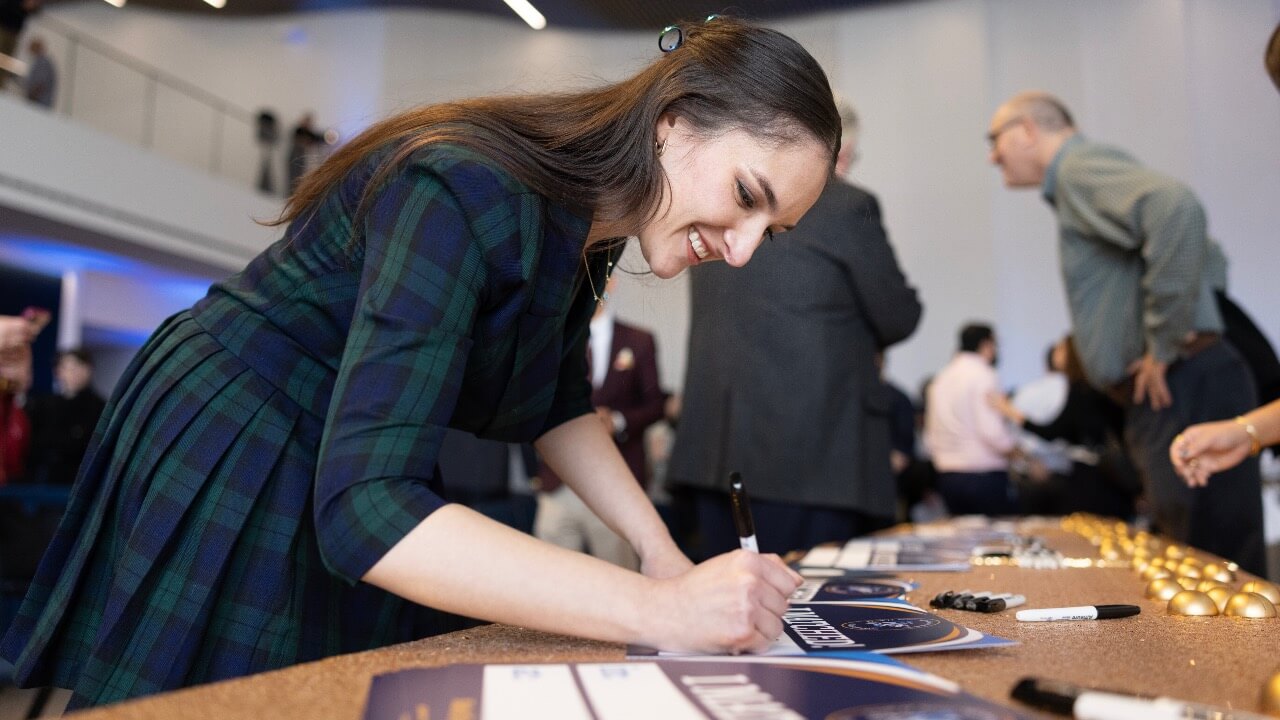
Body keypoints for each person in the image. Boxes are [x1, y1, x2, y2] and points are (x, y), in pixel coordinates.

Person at [0, 17, 839, 708]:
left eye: (774, 231)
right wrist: (657, 605)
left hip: (324, 444)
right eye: (746, 197)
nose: (744, 253)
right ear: (674, 123)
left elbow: (555, 402)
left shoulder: (591, 229)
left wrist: (662, 555)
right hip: (243, 424)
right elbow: (368, 507)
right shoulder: (465, 187)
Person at [987, 91, 1264, 574]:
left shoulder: (1076, 168)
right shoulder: (1081, 174)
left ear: (1029, 130)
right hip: (1178, 385)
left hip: (1178, 384)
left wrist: (1166, 340)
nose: (993, 155)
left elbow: (1178, 209)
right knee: (1206, 559)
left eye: (996, 140)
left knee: (1208, 565)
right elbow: (1211, 255)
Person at [667, 96, 921, 559]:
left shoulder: (716, 197)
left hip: (710, 451)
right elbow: (898, 314)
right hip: (812, 455)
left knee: (724, 611)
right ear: (836, 152)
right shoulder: (847, 205)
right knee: (813, 615)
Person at [534, 279, 666, 569]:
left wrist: (617, 420)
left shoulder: (638, 340)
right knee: (553, 579)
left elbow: (656, 405)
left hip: (615, 478)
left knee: (620, 572)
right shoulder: (553, 339)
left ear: (611, 282)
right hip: (558, 480)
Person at [923, 323, 1018, 516]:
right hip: (983, 476)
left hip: (948, 475)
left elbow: (930, 434)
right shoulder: (983, 375)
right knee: (995, 541)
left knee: (961, 540)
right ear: (986, 345)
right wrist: (1015, 451)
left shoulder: (941, 378)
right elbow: (991, 430)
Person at [24, 349, 107, 486]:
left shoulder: (99, 407)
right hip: (43, 478)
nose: (73, 373)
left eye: (78, 367)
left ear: (89, 370)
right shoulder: (44, 404)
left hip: (79, 478)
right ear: (58, 371)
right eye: (68, 368)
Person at [22, 35, 54, 109]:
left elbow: (40, 84)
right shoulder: (38, 62)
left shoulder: (43, 63)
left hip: (38, 103)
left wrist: (32, 97)